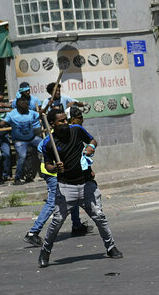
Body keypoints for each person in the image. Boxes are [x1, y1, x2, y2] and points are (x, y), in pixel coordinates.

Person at [38, 109, 121, 267]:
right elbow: (47, 166)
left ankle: (111, 247)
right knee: (57, 221)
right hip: (66, 187)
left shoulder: (76, 130)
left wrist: (91, 147)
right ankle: (45, 251)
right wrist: (55, 168)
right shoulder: (49, 143)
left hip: (86, 183)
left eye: (65, 119)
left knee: (99, 216)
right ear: (53, 124)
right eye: (61, 121)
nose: (65, 123)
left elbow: (93, 140)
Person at [0, 96, 43, 185]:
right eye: (26, 105)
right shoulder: (11, 115)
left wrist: (46, 107)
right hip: (20, 141)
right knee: (22, 157)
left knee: (46, 145)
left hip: (32, 138)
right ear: (20, 106)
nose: (28, 107)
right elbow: (1, 124)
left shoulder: (31, 113)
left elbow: (40, 114)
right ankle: (17, 178)